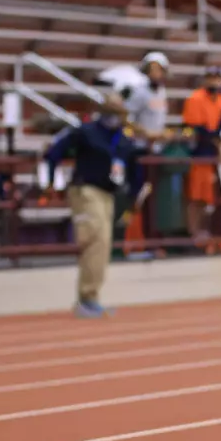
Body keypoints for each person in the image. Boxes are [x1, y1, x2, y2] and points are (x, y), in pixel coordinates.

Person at [44, 96, 148, 317]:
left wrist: (132, 198)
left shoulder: (123, 141)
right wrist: (51, 181)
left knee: (102, 245)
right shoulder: (86, 132)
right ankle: (86, 297)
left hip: (108, 195)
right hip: (86, 190)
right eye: (110, 111)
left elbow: (135, 170)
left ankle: (91, 297)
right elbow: (55, 152)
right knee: (95, 239)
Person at [180, 69, 221, 245]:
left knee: (209, 197)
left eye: (218, 79)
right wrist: (219, 142)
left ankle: (203, 231)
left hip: (213, 154)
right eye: (211, 79)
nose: (215, 83)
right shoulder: (195, 99)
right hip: (198, 154)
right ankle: (193, 232)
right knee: (195, 197)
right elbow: (196, 129)